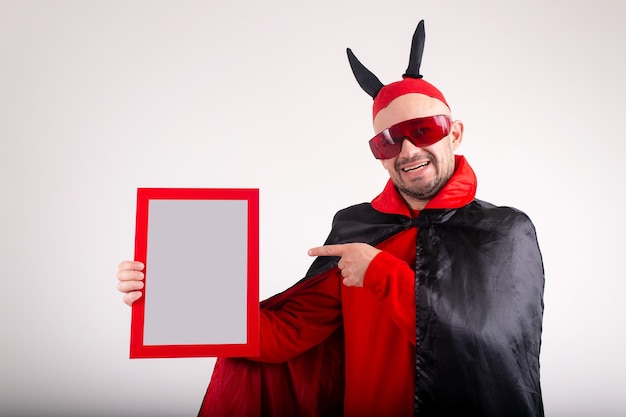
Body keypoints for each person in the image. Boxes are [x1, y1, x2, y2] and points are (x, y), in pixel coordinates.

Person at [117, 20, 545, 417]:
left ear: (454, 132)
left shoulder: (503, 233)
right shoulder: (358, 229)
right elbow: (288, 333)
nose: (409, 152)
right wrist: (172, 295)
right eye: (388, 142)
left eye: (425, 130)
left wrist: (379, 271)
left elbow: (486, 347)